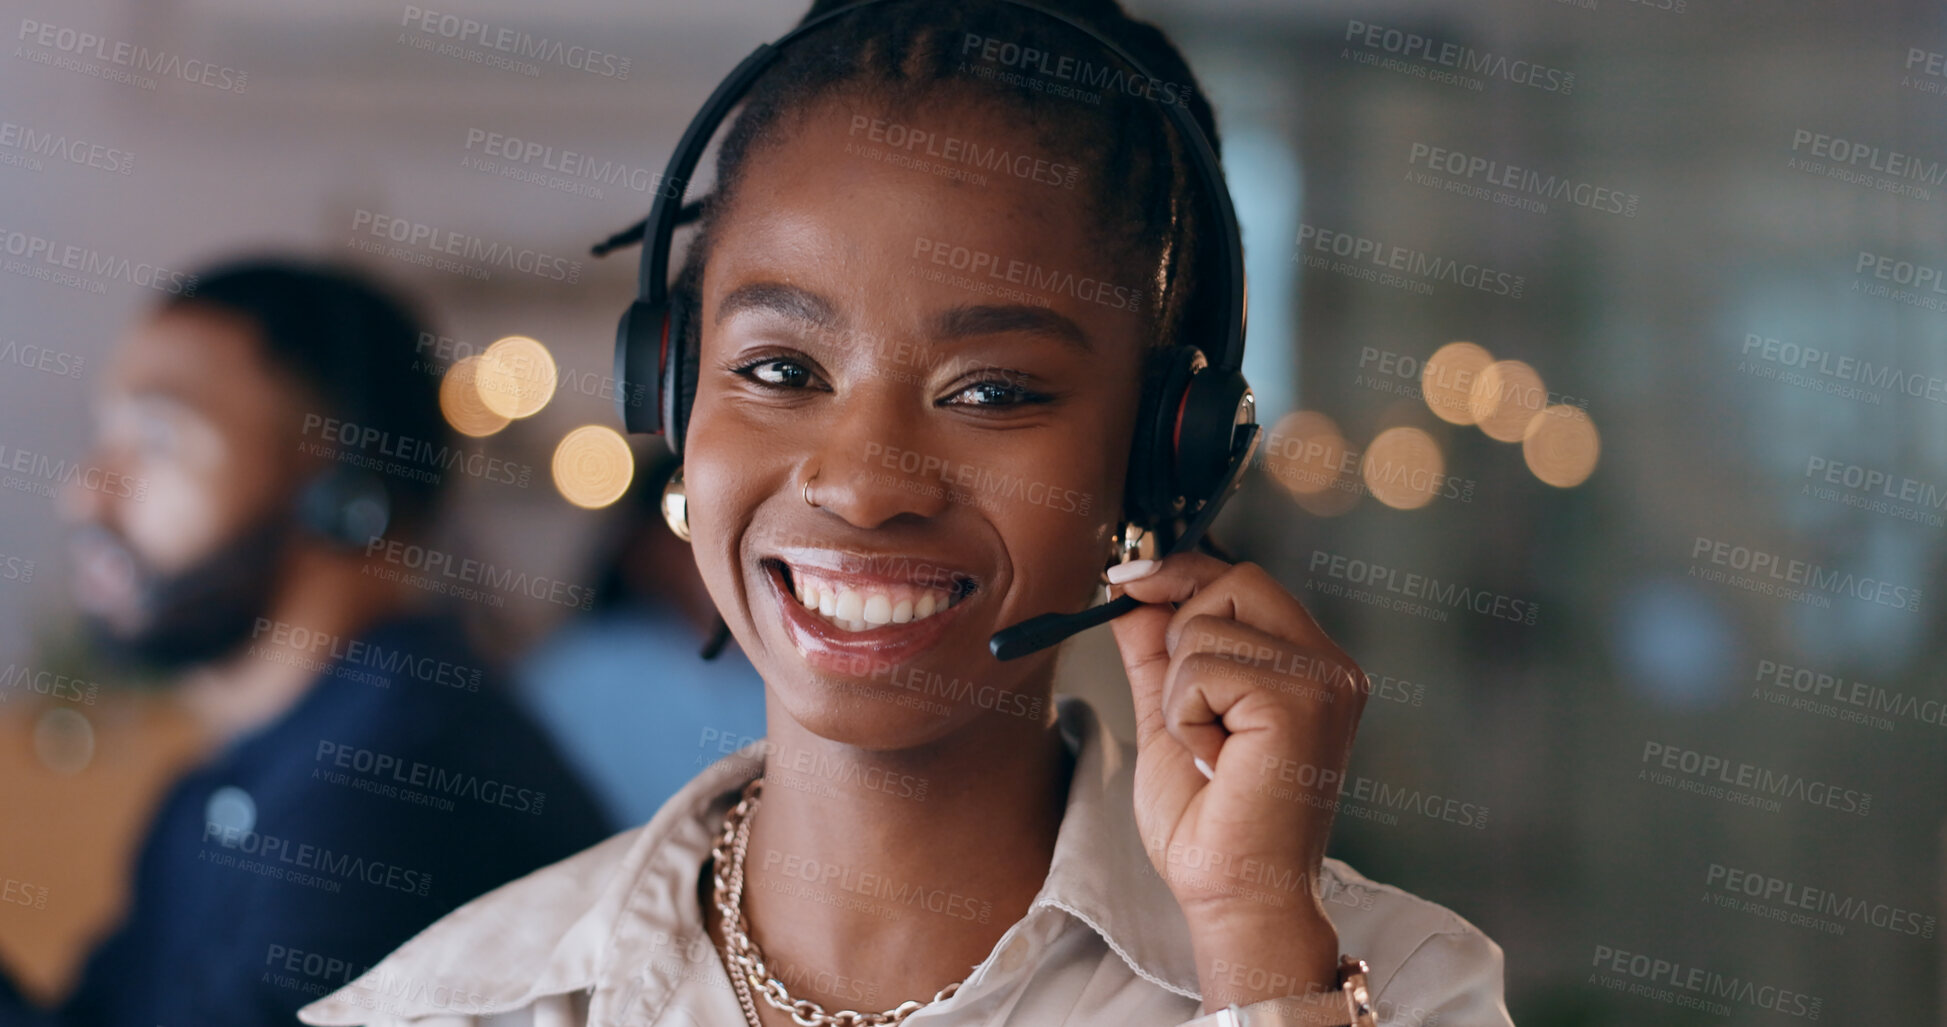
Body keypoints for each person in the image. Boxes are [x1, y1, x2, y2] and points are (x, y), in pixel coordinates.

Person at [301, 2, 1514, 1025]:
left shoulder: (1389, 986)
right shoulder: (448, 1004)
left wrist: (1256, 948)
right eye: (780, 369)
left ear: (1162, 460)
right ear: (671, 397)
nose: (864, 480)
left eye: (990, 391)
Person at [0, 259, 612, 1026]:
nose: (85, 489)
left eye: (155, 439)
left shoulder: (402, 782)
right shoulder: (241, 775)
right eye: (105, 435)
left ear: (343, 497)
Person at [514, 450, 768, 827]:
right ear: (647, 547)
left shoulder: (786, 673)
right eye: (692, 531)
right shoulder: (578, 673)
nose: (724, 553)